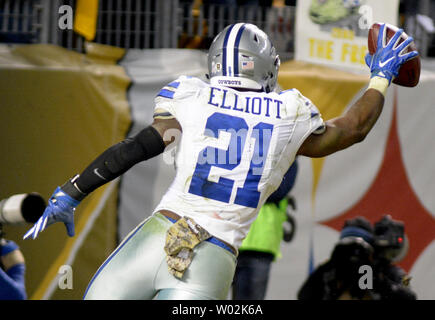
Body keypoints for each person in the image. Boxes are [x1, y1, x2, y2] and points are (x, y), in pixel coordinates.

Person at [24, 22, 418, 300]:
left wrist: (72, 192)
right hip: (214, 256)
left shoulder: (192, 95)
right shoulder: (289, 110)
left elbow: (136, 148)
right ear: (266, 66)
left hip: (159, 235)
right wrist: (379, 77)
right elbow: (353, 129)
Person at [232, 159, 298, 300]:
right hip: (229, 240)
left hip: (260, 246)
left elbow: (277, 192)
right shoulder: (246, 150)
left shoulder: (290, 159)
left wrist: (245, 185)